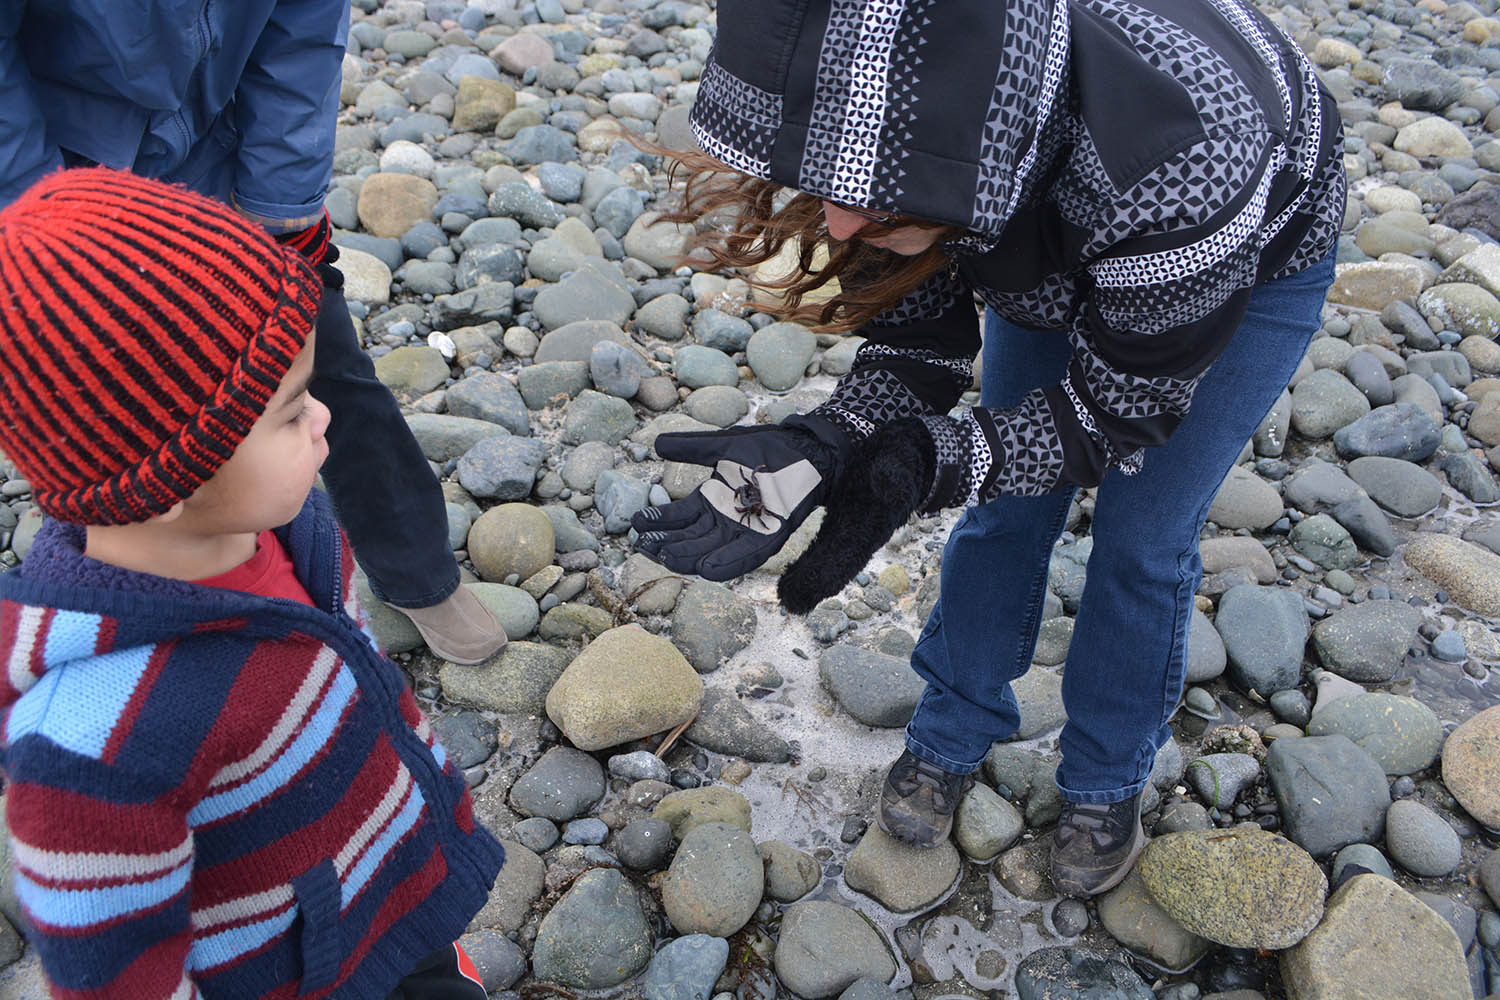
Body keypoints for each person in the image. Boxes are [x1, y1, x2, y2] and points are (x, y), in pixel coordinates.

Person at [633, 0, 1344, 896]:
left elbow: (1111, 416)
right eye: (834, 189)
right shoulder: (886, 115)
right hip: (1034, 214)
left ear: (991, 153)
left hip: (1245, 260)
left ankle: (1105, 776)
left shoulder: (1184, 156)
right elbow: (916, 343)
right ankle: (951, 725)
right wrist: (835, 437)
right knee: (1006, 505)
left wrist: (925, 464)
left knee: (1144, 539)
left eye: (879, 202)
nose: (842, 225)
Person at [0, 170, 504, 999]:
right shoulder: (96, 744)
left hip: (394, 886)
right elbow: (118, 979)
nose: (324, 418)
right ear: (166, 480)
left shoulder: (291, 532)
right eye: (291, 409)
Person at [0, 0, 506, 663]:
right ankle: (137, 624)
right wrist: (58, 234)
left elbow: (304, 34)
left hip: (217, 170)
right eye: (299, 420)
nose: (312, 423)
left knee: (328, 368)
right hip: (61, 195)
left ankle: (413, 570)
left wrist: (282, 210)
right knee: (104, 423)